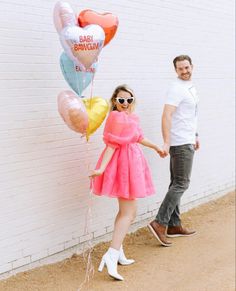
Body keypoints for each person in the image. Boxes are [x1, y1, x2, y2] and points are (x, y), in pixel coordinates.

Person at [89, 84, 164, 280]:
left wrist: (156, 147)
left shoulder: (130, 117)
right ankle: (111, 255)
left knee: (126, 211)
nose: (125, 103)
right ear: (115, 101)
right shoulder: (115, 117)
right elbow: (111, 146)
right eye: (121, 100)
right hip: (123, 166)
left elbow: (138, 137)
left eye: (128, 100)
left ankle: (118, 251)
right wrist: (101, 169)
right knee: (129, 212)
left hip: (132, 163)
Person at [148, 55, 200, 247]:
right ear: (176, 70)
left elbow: (190, 115)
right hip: (179, 143)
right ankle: (159, 223)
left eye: (187, 67)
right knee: (182, 184)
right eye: (180, 69)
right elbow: (166, 115)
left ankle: (174, 225)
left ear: (192, 66)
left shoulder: (189, 86)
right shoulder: (176, 88)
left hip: (187, 139)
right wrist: (167, 142)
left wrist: (195, 135)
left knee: (175, 183)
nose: (184, 71)